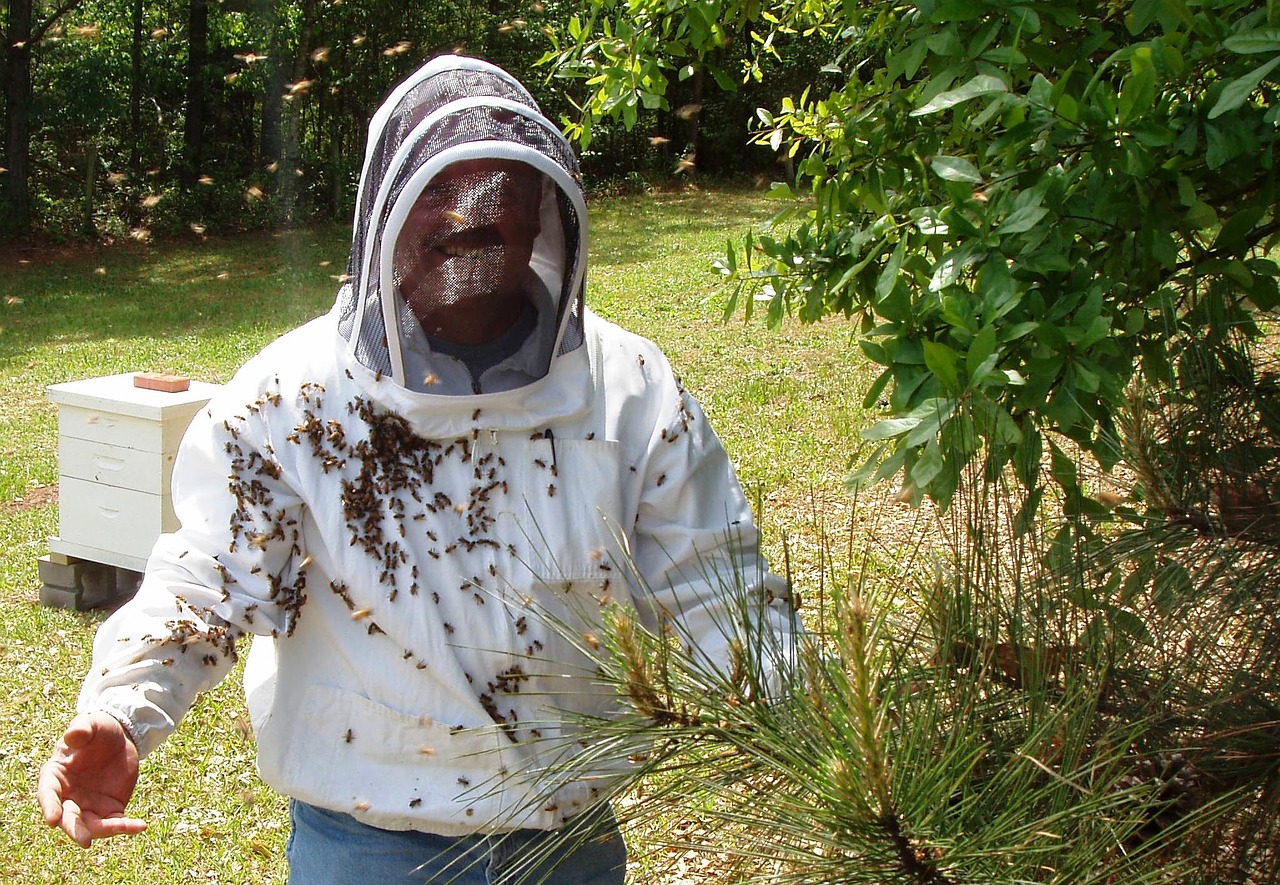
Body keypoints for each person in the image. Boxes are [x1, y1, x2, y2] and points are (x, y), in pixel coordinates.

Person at [37, 55, 798, 883]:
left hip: (568, 839)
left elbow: (716, 585)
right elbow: (206, 584)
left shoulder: (630, 387)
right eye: (439, 188)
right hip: (368, 843)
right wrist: (121, 708)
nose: (467, 215)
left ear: (542, 208)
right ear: (384, 211)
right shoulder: (288, 396)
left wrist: (825, 731)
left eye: (496, 188)